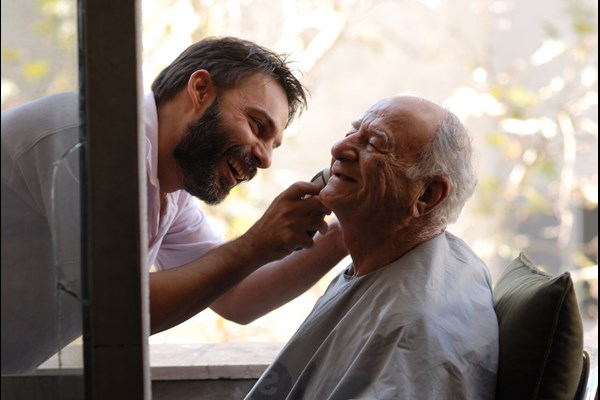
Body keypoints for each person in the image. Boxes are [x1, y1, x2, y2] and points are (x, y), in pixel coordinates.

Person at [0, 36, 347, 374]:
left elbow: (236, 297)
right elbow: (118, 311)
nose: (265, 158)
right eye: (257, 126)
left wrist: (348, 232)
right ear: (200, 89)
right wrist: (255, 243)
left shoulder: (169, 189)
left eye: (273, 144)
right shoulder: (91, 139)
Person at [245, 95, 499, 399]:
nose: (339, 149)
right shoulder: (402, 260)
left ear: (428, 195)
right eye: (352, 133)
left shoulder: (409, 330)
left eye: (375, 143)